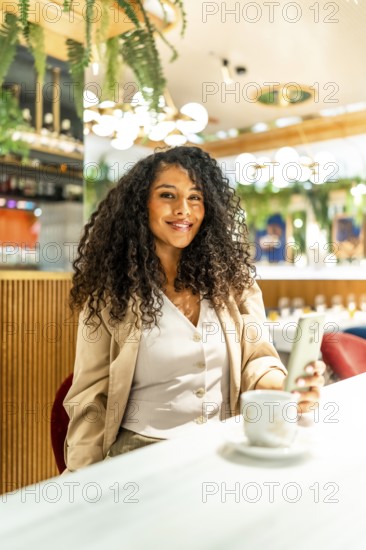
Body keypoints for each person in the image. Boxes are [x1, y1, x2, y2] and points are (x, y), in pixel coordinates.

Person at [63, 146, 325, 472]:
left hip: (222, 449)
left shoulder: (233, 283)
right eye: (167, 195)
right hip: (140, 458)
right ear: (140, 205)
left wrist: (283, 389)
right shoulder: (109, 299)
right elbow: (91, 400)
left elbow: (258, 358)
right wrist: (79, 482)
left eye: (195, 197)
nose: (183, 210)